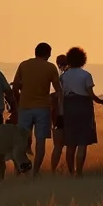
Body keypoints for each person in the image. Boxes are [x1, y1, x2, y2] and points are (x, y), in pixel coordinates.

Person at [12, 42, 62, 176]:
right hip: (43, 108)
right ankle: (35, 172)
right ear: (49, 54)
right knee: (40, 141)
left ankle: (19, 170)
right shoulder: (51, 67)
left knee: (21, 140)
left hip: (25, 107)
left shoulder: (24, 65)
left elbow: (15, 86)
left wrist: (18, 102)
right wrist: (60, 109)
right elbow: (58, 90)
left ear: (35, 52)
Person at [59, 46, 103, 177]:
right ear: (83, 59)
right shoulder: (86, 75)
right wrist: (101, 101)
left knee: (70, 143)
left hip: (69, 108)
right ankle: (79, 172)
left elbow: (61, 95)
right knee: (82, 142)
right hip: (84, 107)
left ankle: (71, 172)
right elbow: (90, 94)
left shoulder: (64, 76)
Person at [50, 54, 69, 173]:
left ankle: (53, 170)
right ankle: (71, 170)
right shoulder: (75, 75)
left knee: (57, 146)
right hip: (71, 114)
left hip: (60, 115)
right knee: (71, 146)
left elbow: (57, 96)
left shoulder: (61, 77)